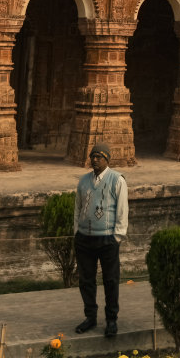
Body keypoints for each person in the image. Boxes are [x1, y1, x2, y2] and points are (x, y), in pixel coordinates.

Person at [74, 142, 127, 338]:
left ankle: (111, 319)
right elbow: (78, 207)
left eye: (99, 157)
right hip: (85, 237)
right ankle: (90, 317)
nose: (95, 160)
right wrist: (76, 232)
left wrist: (117, 236)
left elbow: (122, 210)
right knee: (86, 280)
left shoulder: (117, 180)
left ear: (107, 159)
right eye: (92, 156)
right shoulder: (84, 181)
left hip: (107, 239)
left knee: (111, 280)